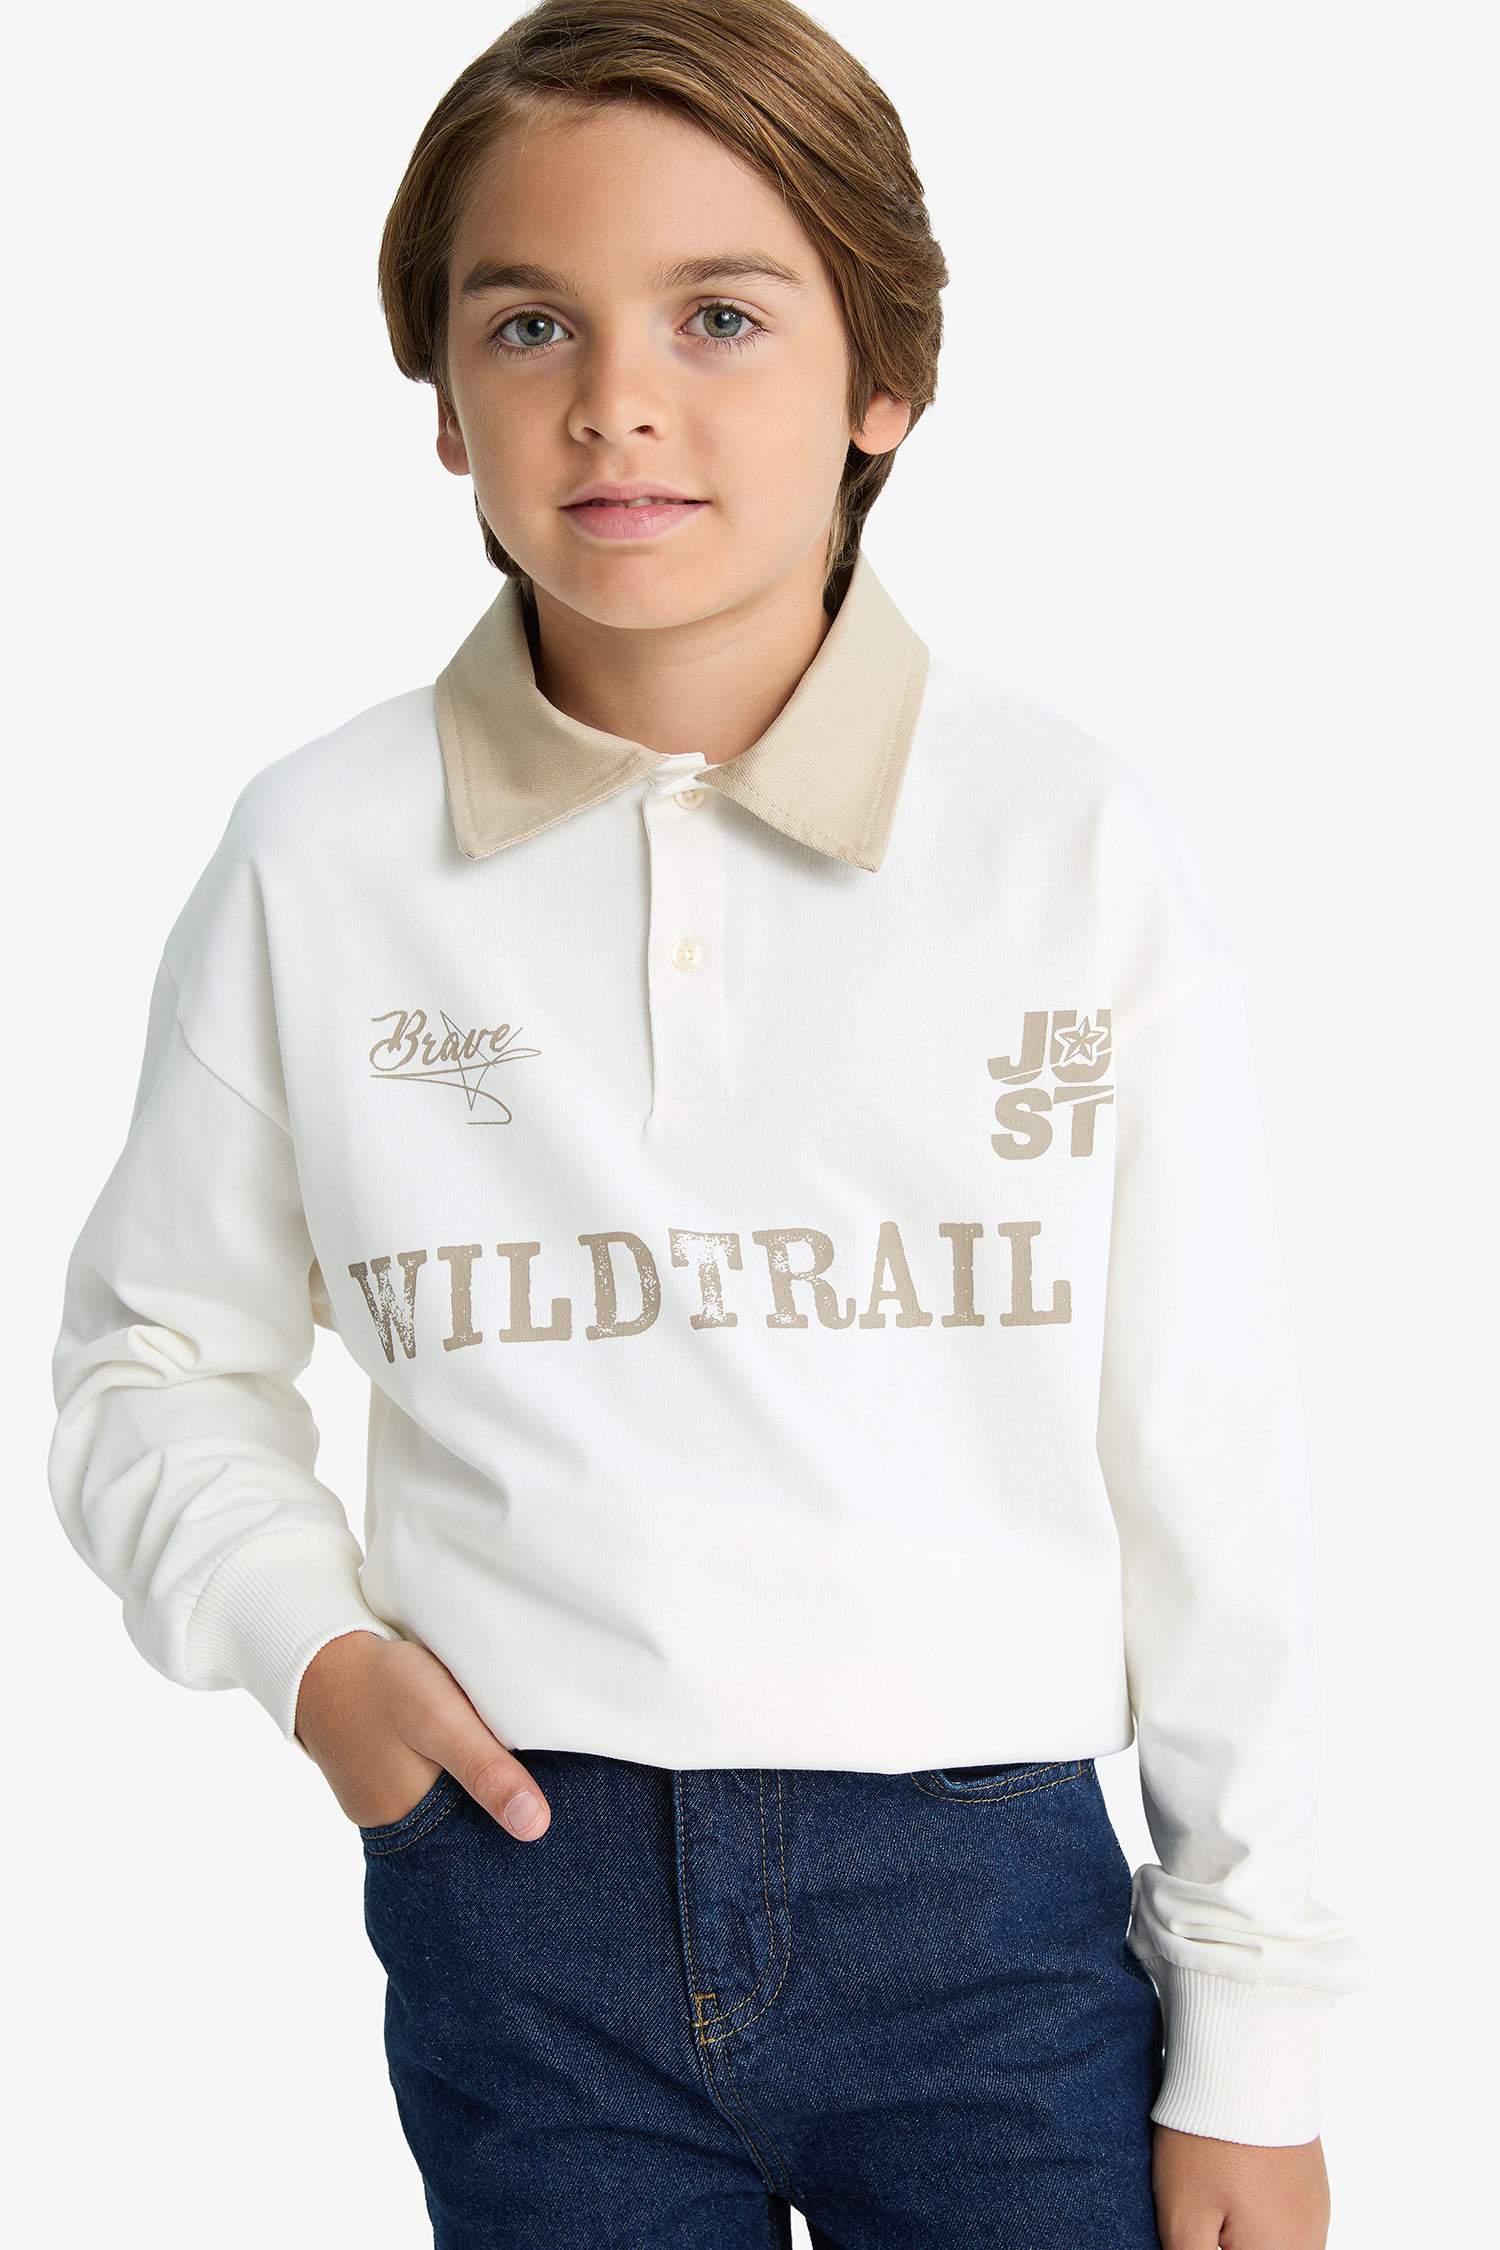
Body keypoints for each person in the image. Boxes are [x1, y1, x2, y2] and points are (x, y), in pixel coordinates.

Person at [46, 3, 1369, 2244]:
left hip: (987, 1917)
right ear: (442, 397)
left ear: (884, 383)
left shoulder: (1067, 847)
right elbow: (154, 1355)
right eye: (530, 322)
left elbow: (1208, 1458)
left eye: (721, 317)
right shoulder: (319, 857)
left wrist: (1257, 2028)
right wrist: (313, 1651)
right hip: (522, 1899)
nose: (616, 398)